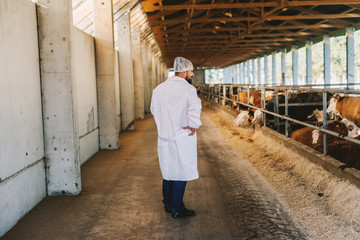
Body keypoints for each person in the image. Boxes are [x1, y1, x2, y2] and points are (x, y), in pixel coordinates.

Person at [150, 57, 202, 218]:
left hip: (165, 136)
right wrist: (193, 124)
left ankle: (168, 203)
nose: (192, 74)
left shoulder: (159, 89)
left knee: (168, 171)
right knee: (181, 172)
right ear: (185, 71)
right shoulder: (188, 89)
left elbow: (153, 109)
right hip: (182, 136)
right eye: (191, 71)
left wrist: (164, 125)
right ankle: (177, 208)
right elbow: (195, 108)